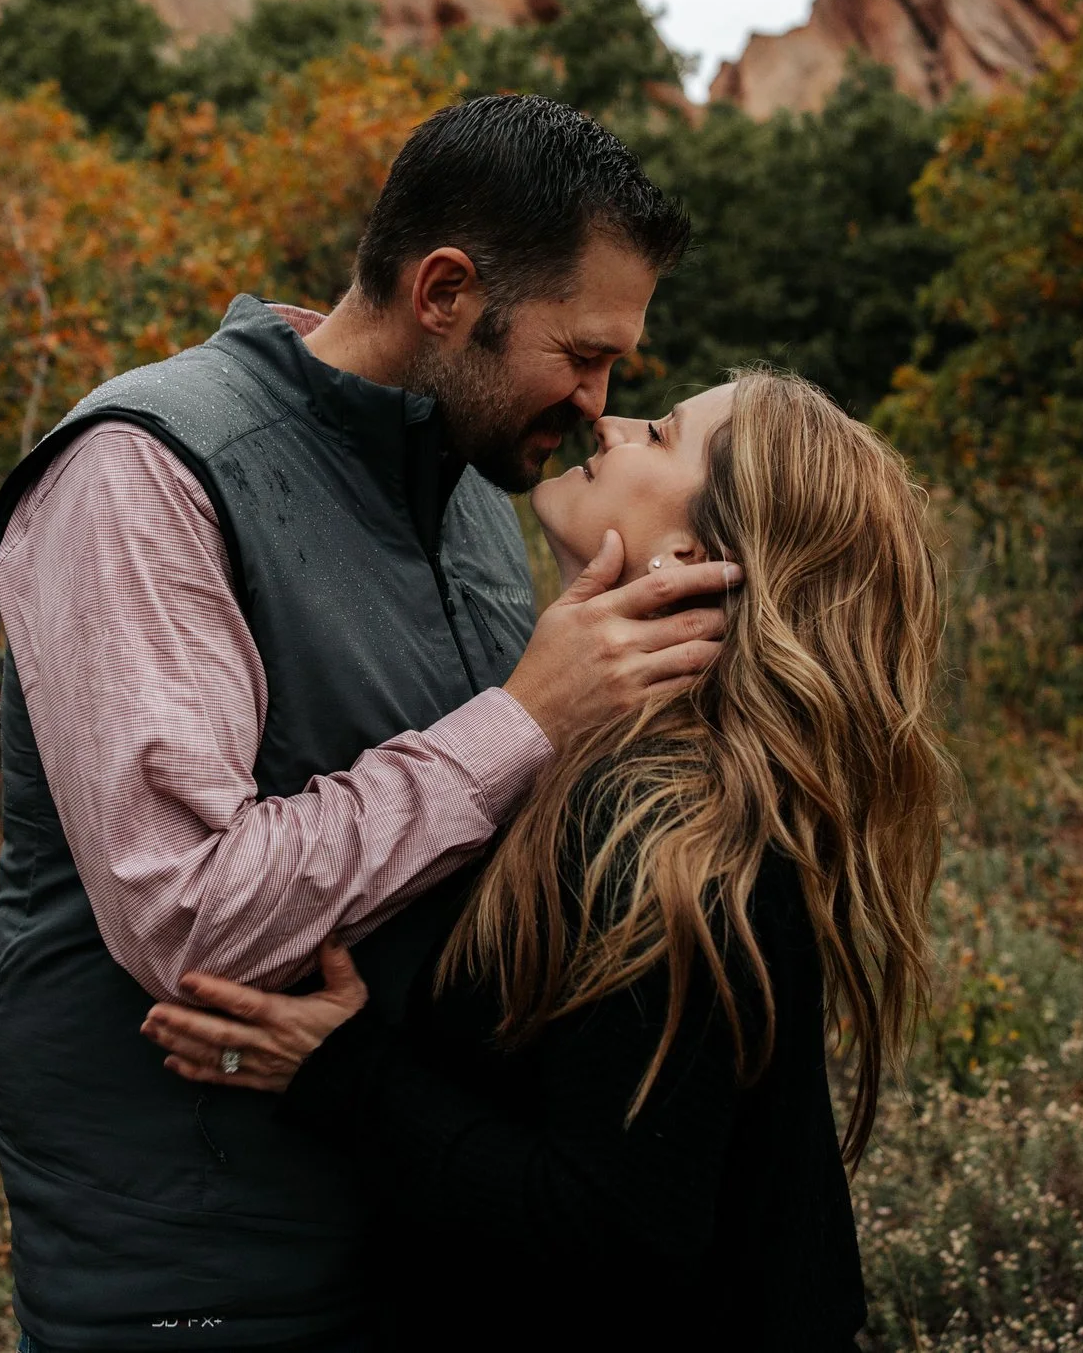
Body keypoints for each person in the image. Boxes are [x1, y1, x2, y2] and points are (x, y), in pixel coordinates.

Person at [0, 94, 741, 1350]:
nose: (598, 401)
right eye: (583, 352)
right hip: (203, 1276)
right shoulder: (142, 471)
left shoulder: (466, 482)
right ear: (444, 291)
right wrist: (522, 718)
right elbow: (187, 912)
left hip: (430, 1228)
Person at [140, 371, 950, 1352]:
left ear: (691, 557)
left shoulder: (660, 835)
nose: (605, 420)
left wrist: (338, 1071)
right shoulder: (637, 777)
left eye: (657, 432)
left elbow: (618, 1232)